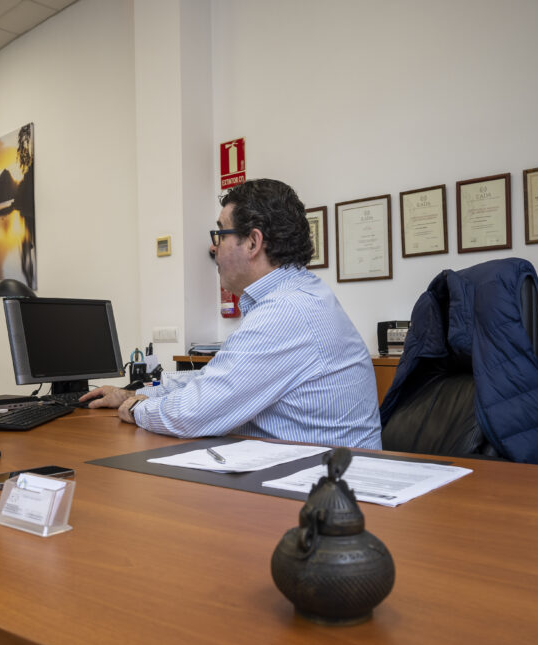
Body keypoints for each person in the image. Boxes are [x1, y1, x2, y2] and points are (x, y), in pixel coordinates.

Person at [81, 178, 381, 449]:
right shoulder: (300, 295)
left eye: (220, 234)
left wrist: (136, 408)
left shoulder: (287, 311)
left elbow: (194, 413)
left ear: (253, 242)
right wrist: (140, 391)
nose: (214, 248)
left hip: (324, 490)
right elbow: (217, 381)